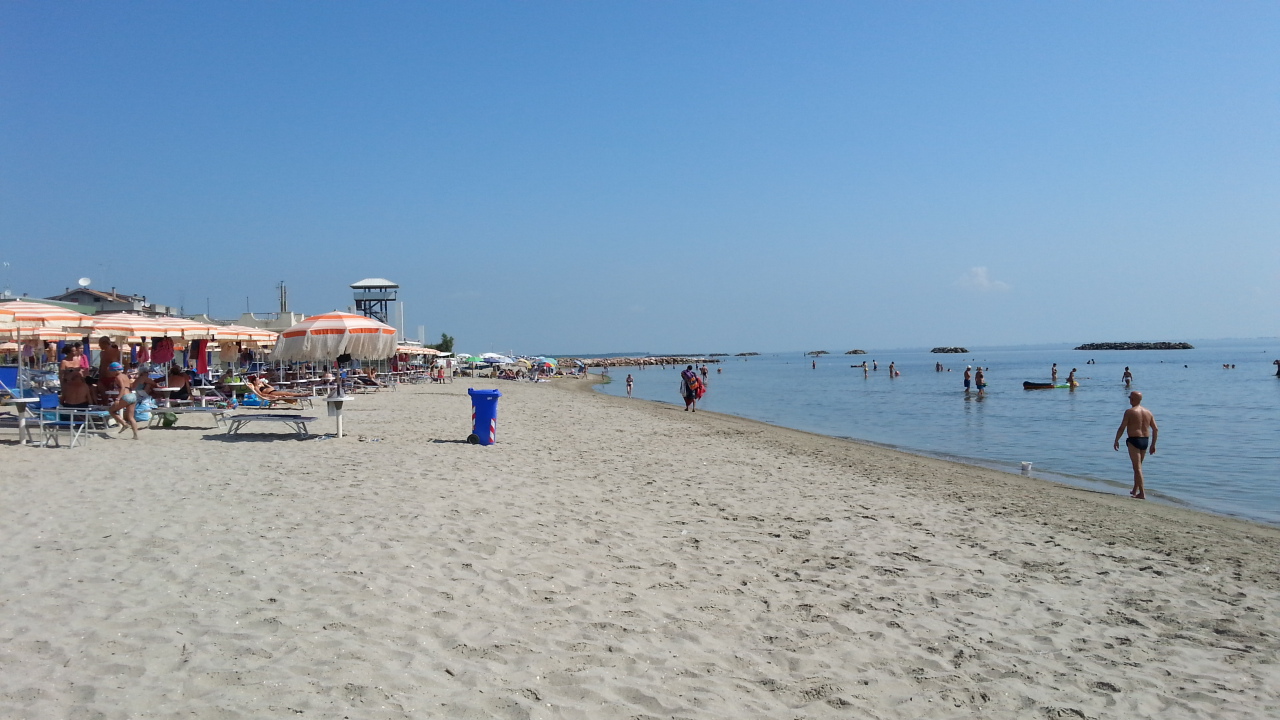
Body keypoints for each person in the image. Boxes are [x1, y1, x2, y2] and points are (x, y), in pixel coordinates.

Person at [1114, 391, 1158, 499]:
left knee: (1137, 467)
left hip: (1134, 440)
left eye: (1130, 398)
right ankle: (1135, 489)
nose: (1129, 400)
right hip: (1145, 441)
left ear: (1133, 399)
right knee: (1138, 467)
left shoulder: (1130, 412)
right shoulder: (1148, 412)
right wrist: (1153, 445)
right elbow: (1155, 429)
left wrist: (1116, 440)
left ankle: (1142, 493)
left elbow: (1122, 427)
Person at [106, 363, 140, 439]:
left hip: (126, 396)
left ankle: (124, 424)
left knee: (111, 410)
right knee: (131, 417)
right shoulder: (125, 376)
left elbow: (122, 388)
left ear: (114, 371)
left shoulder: (118, 377)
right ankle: (135, 435)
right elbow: (130, 386)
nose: (110, 373)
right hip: (132, 395)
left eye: (111, 371)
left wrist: (118, 399)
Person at [58, 343, 93, 408]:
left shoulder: (77, 359)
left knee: (87, 392)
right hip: (69, 383)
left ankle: (90, 407)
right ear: (68, 353)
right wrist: (63, 386)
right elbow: (61, 375)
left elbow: (81, 370)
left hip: (79, 381)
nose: (76, 352)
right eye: (73, 351)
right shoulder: (64, 362)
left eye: (75, 350)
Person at [96, 336, 121, 404]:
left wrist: (121, 375)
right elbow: (102, 365)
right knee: (104, 399)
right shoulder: (102, 353)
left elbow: (126, 365)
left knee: (114, 398)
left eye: (100, 344)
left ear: (104, 343)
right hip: (102, 378)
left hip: (112, 378)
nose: (99, 345)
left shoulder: (116, 352)